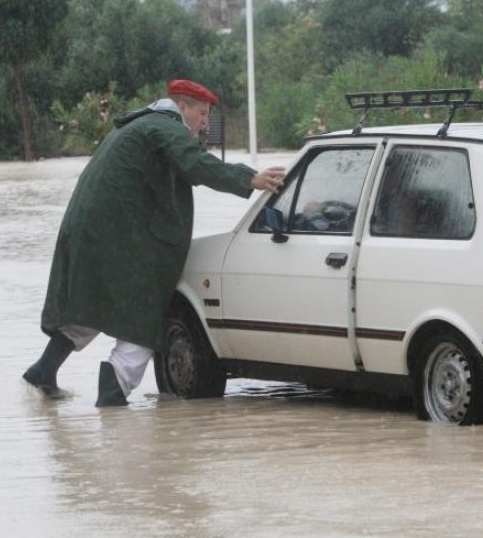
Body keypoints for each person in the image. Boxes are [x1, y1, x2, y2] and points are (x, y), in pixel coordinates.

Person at [22, 79, 285, 407]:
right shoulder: (167, 128)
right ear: (182, 107)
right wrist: (249, 179)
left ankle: (43, 372)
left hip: (91, 232)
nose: (205, 121)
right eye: (201, 113)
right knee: (143, 318)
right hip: (117, 237)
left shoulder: (138, 126)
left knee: (92, 303)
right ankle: (112, 405)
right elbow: (196, 165)